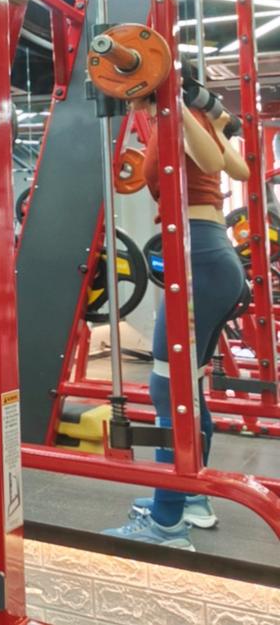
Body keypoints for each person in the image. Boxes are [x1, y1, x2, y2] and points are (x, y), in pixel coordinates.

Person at [102, 94, 248, 548]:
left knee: (168, 390)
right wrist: (207, 120)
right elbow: (239, 169)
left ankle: (166, 523)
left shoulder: (179, 117)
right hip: (209, 253)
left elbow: (218, 163)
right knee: (189, 388)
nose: (133, 106)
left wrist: (176, 102)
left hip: (198, 257)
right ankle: (190, 498)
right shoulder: (183, 122)